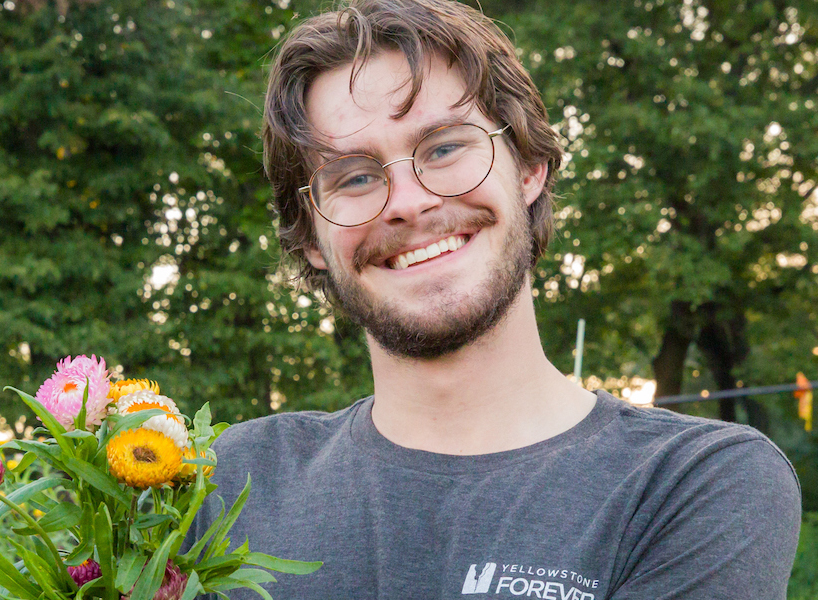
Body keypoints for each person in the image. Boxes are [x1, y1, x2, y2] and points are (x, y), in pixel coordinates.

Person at [187, 0, 801, 597]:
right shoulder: (227, 482)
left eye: (446, 147)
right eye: (354, 177)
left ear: (529, 166)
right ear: (311, 236)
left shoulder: (695, 483)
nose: (407, 201)